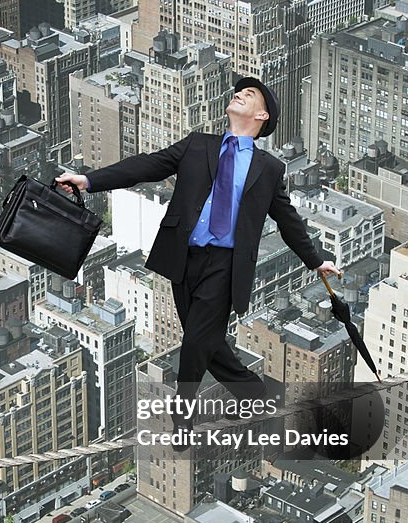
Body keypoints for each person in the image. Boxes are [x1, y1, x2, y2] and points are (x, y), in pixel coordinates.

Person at [56, 77, 340, 448]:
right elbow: (147, 166)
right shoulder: (198, 144)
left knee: (194, 343)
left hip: (226, 265)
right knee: (205, 340)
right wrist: (89, 181)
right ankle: (254, 393)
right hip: (183, 256)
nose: (238, 93)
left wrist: (316, 261)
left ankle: (182, 419)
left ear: (262, 115)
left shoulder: (269, 168)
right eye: (238, 90)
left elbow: (288, 221)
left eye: (249, 94)